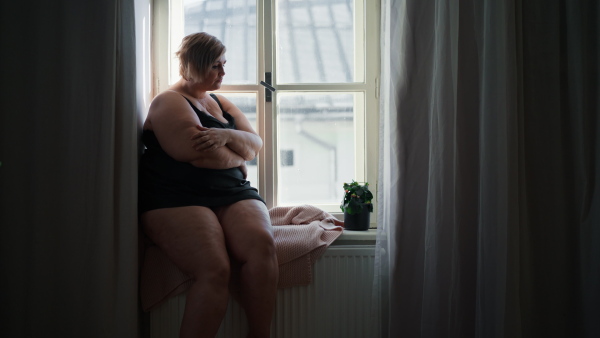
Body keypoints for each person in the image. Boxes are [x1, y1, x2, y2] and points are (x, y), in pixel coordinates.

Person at [139, 32, 278, 338]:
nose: (223, 73)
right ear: (194, 66)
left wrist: (228, 137)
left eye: (223, 64)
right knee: (215, 270)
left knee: (262, 246)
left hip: (231, 192)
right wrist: (240, 158)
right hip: (176, 197)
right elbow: (198, 155)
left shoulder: (218, 100)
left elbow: (255, 144)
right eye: (216, 66)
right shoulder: (168, 102)